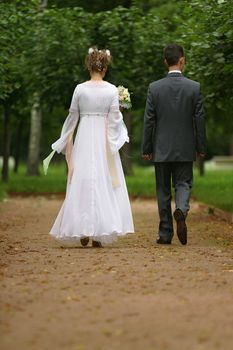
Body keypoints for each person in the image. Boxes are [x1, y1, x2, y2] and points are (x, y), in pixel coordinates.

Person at [49, 47, 134, 247]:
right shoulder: (112, 90)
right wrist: (117, 138)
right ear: (105, 68)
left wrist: (63, 140)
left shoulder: (80, 89)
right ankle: (98, 231)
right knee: (104, 179)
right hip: (103, 138)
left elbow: (72, 118)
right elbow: (114, 120)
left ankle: (82, 227)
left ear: (89, 66)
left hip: (85, 135)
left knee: (83, 179)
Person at [142, 43, 206, 245]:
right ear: (182, 61)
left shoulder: (154, 88)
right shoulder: (194, 88)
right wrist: (201, 147)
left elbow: (149, 120)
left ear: (165, 62)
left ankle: (165, 233)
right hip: (186, 148)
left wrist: (147, 148)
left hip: (161, 149)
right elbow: (199, 120)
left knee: (162, 190)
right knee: (184, 183)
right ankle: (181, 209)